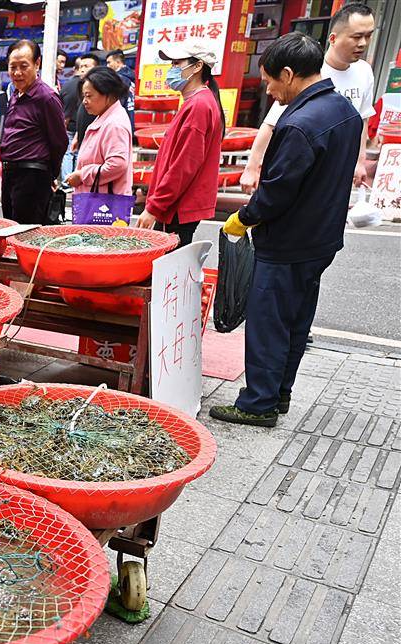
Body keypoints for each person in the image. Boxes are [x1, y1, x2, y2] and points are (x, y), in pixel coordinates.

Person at [211, 33, 361, 428]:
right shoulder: (344, 110)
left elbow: (276, 193)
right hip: (321, 240)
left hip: (287, 243)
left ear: (289, 74)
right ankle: (279, 393)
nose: (269, 90)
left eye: (270, 81)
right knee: (295, 322)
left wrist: (244, 217)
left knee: (268, 323)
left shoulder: (299, 124)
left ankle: (257, 403)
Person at [240, 2, 376, 192]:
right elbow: (271, 123)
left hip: (337, 169)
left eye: (368, 35)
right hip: (304, 166)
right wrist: (252, 167)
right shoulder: (311, 71)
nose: (363, 43)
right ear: (333, 38)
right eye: (356, 36)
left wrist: (360, 161)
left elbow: (362, 119)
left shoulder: (365, 71)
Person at [133, 41, 224, 245]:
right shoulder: (199, 102)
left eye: (176, 63)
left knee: (170, 262)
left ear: (198, 66)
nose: (171, 69)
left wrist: (154, 207)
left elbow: (183, 165)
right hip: (176, 204)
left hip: (177, 207)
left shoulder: (199, 105)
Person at [0, 40, 68, 224]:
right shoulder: (15, 94)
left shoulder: (46, 98)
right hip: (10, 173)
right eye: (13, 67)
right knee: (10, 227)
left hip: (32, 176)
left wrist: (51, 174)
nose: (17, 73)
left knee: (25, 232)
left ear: (37, 64)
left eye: (23, 66)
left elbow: (59, 142)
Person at [64, 66, 133, 203]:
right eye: (84, 96)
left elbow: (117, 165)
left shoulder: (114, 124)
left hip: (105, 204)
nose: (84, 101)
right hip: (97, 200)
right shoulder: (105, 116)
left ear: (108, 94)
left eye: (89, 96)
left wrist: (82, 175)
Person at [60, 52, 100, 186]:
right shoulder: (81, 88)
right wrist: (78, 135)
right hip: (80, 134)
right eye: (81, 66)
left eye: (86, 66)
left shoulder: (101, 92)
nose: (82, 69)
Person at [106, 49, 137, 124]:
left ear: (118, 62)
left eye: (109, 62)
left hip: (120, 120)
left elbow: (117, 104)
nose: (107, 66)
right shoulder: (133, 76)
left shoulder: (118, 79)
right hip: (132, 116)